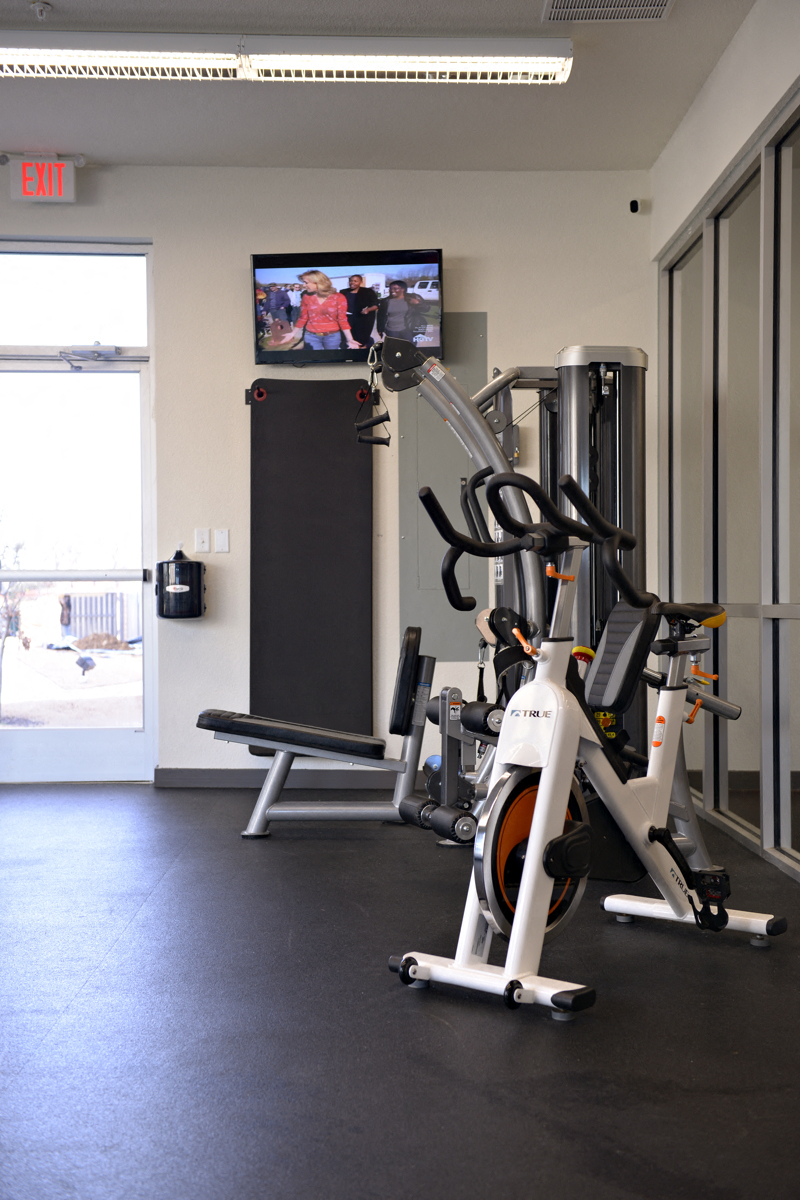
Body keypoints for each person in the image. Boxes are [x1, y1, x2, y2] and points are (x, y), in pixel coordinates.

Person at [294, 270, 361, 351]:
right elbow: (303, 317)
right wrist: (292, 333)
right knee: (315, 360)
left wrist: (350, 339)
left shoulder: (338, 297)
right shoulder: (306, 297)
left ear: (317, 282)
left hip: (332, 337)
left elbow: (342, 319)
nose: (304, 285)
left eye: (306, 282)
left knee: (331, 360)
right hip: (311, 336)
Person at [340, 275, 379, 348]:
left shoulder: (368, 292)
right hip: (347, 319)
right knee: (347, 339)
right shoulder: (343, 292)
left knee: (362, 340)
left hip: (363, 320)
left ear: (361, 282)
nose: (352, 283)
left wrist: (368, 309)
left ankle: (362, 353)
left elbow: (376, 305)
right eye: (351, 281)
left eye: (355, 281)